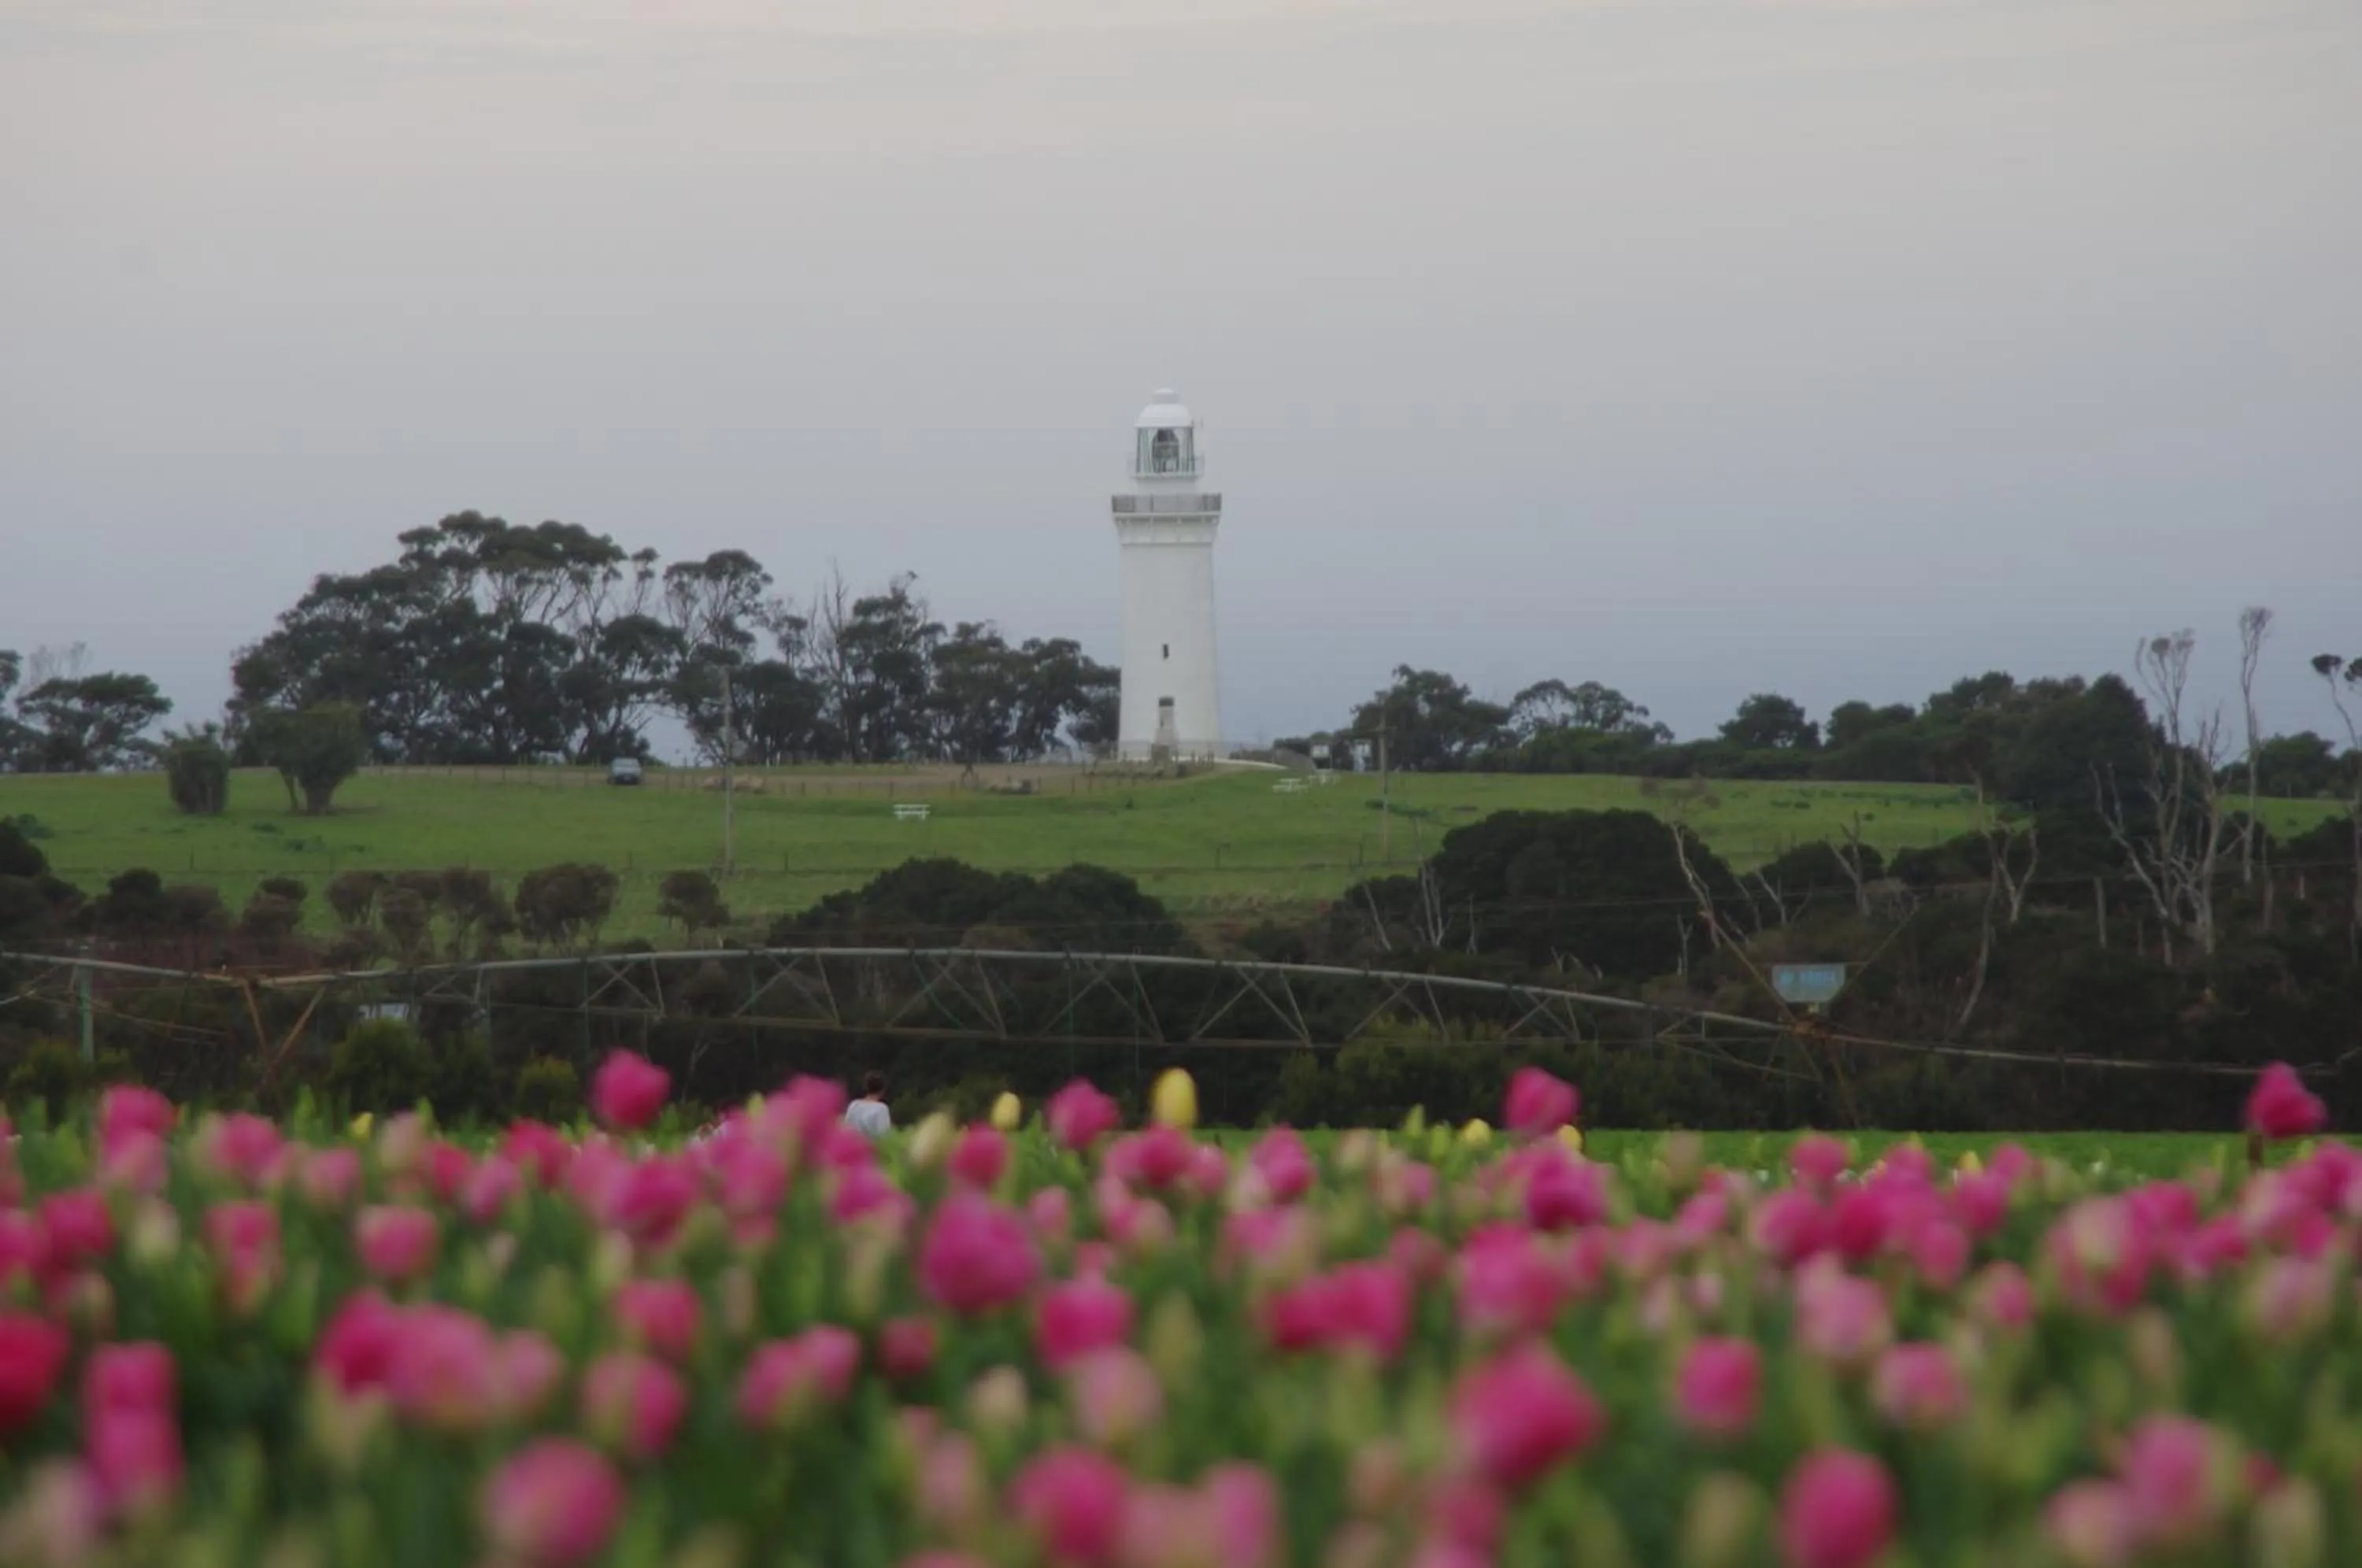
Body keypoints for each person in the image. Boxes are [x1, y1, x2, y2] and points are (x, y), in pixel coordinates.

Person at [842, 1071, 892, 1138]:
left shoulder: (854, 1105)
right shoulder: (881, 1109)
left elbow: (846, 1129)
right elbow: (884, 1135)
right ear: (883, 1089)